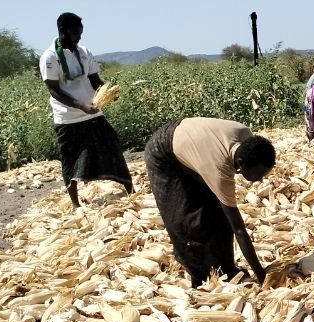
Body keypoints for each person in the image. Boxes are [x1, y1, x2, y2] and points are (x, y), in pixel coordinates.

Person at [143, 118, 275, 287]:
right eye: (257, 175)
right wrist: (261, 274)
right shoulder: (219, 170)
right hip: (163, 152)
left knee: (218, 214)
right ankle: (199, 277)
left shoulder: (246, 136)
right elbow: (239, 230)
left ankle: (226, 269)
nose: (259, 180)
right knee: (186, 220)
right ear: (241, 164)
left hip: (194, 145)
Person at [39, 12, 133, 208]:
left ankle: (130, 190)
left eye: (81, 33)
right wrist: (81, 105)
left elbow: (94, 80)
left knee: (113, 148)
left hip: (94, 114)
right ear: (64, 31)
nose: (79, 37)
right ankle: (75, 203)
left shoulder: (84, 52)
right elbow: (54, 90)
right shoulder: (49, 57)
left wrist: (109, 92)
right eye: (76, 34)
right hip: (68, 119)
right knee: (70, 160)